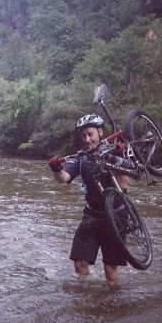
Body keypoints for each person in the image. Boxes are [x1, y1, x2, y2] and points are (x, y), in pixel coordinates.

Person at [47, 114, 131, 286]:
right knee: (79, 264)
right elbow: (64, 178)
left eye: (90, 134)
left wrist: (113, 160)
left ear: (100, 132)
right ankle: (85, 300)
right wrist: (56, 169)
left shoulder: (116, 151)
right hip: (92, 214)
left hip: (116, 215)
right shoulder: (81, 158)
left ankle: (114, 302)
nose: (87, 139)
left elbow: (123, 185)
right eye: (83, 136)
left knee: (110, 268)